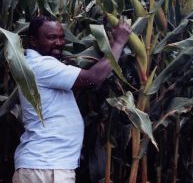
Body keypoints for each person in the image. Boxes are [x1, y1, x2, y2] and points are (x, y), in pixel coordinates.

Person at [12, 15, 131, 183]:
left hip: (47, 166)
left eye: (61, 37)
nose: (59, 43)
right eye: (52, 37)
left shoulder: (37, 65)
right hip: (46, 169)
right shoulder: (40, 65)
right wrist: (119, 43)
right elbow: (93, 78)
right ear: (33, 40)